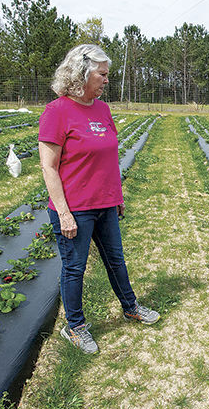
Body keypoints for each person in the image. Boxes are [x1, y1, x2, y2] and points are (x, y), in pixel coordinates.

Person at [38, 43, 159, 354]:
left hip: (105, 203)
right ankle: (75, 326)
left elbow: (109, 157)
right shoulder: (57, 112)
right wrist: (63, 213)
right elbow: (49, 167)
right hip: (75, 208)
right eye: (102, 74)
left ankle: (131, 306)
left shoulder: (103, 110)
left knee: (116, 260)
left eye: (108, 75)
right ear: (82, 74)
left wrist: (116, 195)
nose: (107, 80)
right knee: (74, 268)